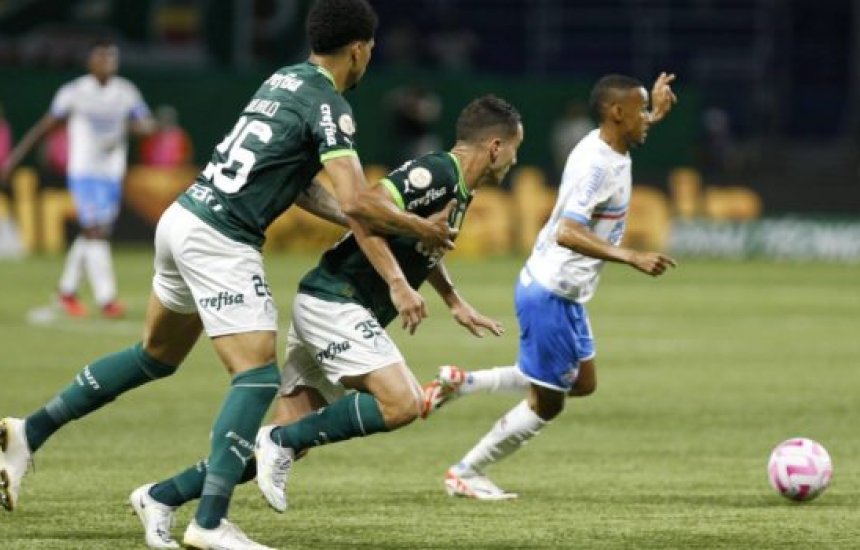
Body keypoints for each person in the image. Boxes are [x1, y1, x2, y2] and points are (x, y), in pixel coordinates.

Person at [1, 1, 456, 548]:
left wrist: (358, 220)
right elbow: (359, 196)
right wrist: (417, 229)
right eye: (371, 50)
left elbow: (305, 187)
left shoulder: (283, 80)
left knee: (155, 356)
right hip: (222, 238)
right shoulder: (332, 105)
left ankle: (30, 432)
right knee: (258, 376)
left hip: (184, 216)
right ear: (360, 49)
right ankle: (210, 522)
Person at [123, 95, 523, 545]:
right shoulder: (435, 173)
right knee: (403, 403)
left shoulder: (460, 191)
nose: (514, 159)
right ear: (495, 146)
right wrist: (396, 282)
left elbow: (418, 242)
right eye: (514, 149)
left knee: (287, 437)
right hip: (337, 300)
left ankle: (161, 496)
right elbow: (363, 209)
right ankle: (277, 448)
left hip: (335, 304)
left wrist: (453, 300)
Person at [421, 73, 679, 500]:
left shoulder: (607, 142)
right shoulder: (598, 166)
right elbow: (568, 232)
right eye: (639, 113)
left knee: (582, 382)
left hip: (563, 291)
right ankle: (467, 471)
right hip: (552, 291)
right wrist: (631, 256)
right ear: (616, 113)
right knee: (550, 401)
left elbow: (631, 125)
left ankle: (463, 382)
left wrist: (653, 112)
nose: (645, 121)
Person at [0, 39, 157, 319]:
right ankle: (107, 299)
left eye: (112, 58)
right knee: (95, 231)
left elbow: (146, 123)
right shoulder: (74, 92)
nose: (108, 63)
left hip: (111, 172)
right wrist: (14, 157)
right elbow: (45, 126)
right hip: (84, 171)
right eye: (102, 58)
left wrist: (141, 126)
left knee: (93, 233)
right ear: (90, 61)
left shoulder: (125, 92)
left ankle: (66, 291)